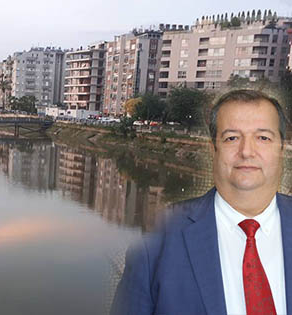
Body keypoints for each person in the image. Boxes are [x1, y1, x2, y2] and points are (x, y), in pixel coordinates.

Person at [111, 89, 292, 315]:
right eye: (232, 138)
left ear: (281, 149)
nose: (247, 151)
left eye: (263, 138)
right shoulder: (157, 243)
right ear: (213, 150)